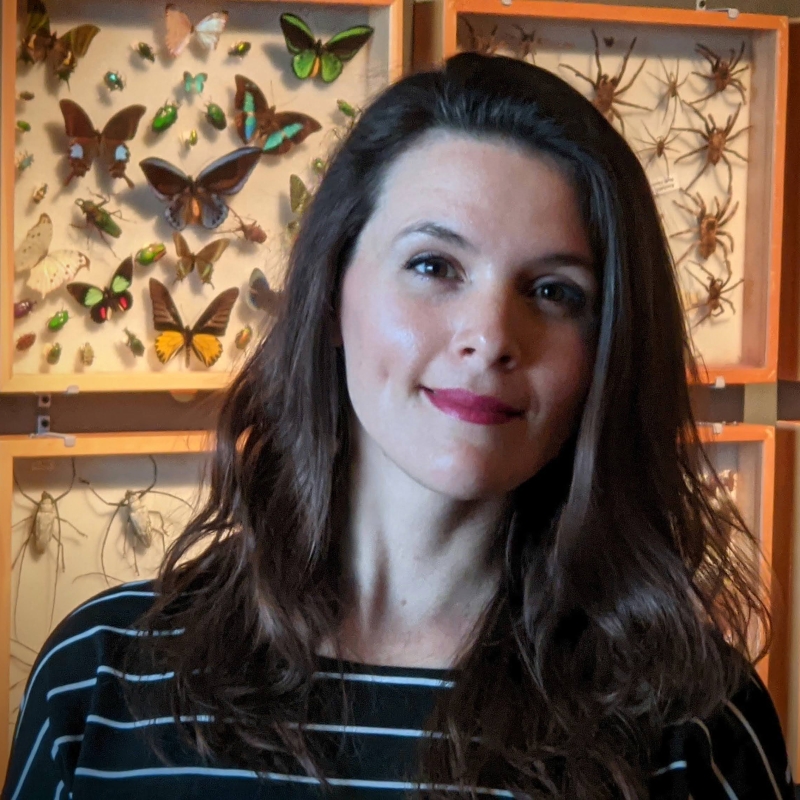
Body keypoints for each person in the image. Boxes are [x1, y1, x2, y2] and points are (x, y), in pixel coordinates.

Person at [2, 52, 794, 800]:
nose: (490, 335)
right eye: (433, 266)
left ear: (606, 351)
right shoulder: (98, 678)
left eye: (555, 292)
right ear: (333, 293)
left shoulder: (695, 726)